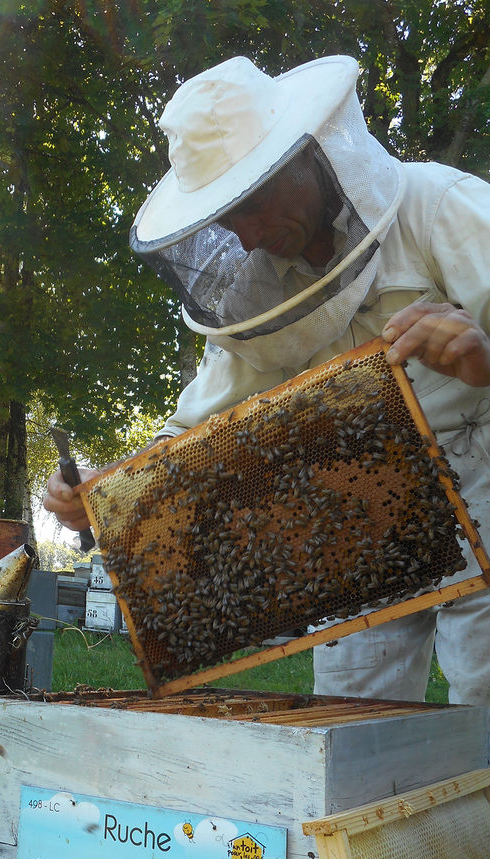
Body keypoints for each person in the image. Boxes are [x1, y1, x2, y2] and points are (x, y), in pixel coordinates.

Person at [43, 54, 490, 706]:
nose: (247, 236)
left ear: (307, 158)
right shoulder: (258, 288)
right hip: (363, 508)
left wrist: (483, 354)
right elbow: (197, 426)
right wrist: (106, 493)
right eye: (227, 219)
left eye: (255, 204)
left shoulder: (436, 206)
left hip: (484, 475)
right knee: (352, 719)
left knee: (484, 699)